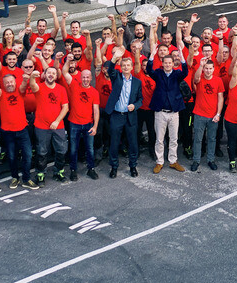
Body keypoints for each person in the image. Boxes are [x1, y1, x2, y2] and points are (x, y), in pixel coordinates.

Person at [147, 22, 189, 174]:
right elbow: (148, 69)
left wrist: (182, 55)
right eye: (165, 62)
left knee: (173, 139)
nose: (167, 65)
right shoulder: (157, 74)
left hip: (174, 112)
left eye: (170, 63)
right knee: (159, 139)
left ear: (172, 63)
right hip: (160, 112)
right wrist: (152, 54)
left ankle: (173, 160)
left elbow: (185, 71)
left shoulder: (177, 75)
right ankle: (159, 161)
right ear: (163, 63)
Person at [0, 72, 37, 189]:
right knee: (12, 157)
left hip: (22, 130)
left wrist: (25, 79)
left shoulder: (19, 91)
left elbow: (23, 85)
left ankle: (26, 179)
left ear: (15, 82)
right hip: (8, 132)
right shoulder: (1, 94)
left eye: (11, 82)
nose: (9, 84)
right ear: (3, 84)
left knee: (27, 155)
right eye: (7, 82)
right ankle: (15, 177)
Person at [104, 50, 142, 178]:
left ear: (132, 67)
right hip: (116, 115)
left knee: (133, 143)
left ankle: (133, 166)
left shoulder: (137, 82)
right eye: (124, 65)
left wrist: (135, 106)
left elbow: (140, 99)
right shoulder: (117, 77)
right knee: (114, 142)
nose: (126, 67)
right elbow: (110, 70)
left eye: (128, 65)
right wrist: (114, 58)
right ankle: (114, 167)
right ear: (121, 67)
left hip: (130, 116)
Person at [29, 65, 69, 183]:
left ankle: (59, 172)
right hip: (41, 126)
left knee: (61, 150)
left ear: (56, 76)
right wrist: (32, 77)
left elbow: (65, 107)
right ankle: (40, 174)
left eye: (54, 73)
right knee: (41, 152)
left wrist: (57, 121)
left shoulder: (61, 89)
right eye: (49, 72)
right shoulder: (39, 87)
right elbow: (32, 85)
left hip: (58, 126)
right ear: (44, 75)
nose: (51, 75)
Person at [66, 67, 100, 181]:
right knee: (73, 149)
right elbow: (65, 72)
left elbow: (96, 110)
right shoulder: (75, 86)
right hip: (74, 123)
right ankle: (73, 170)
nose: (85, 79)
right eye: (83, 77)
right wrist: (67, 60)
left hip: (88, 124)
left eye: (87, 77)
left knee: (90, 149)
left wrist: (95, 126)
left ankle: (91, 169)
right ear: (80, 78)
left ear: (91, 78)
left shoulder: (94, 92)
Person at [190, 58, 224, 172]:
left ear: (214, 69)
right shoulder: (200, 79)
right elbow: (195, 78)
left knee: (212, 139)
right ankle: (196, 160)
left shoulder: (218, 80)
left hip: (212, 115)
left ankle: (210, 159)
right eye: (206, 69)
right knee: (198, 139)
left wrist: (218, 114)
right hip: (199, 114)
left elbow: (220, 98)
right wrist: (200, 65)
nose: (208, 71)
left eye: (210, 68)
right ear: (203, 69)